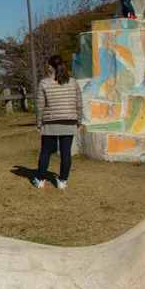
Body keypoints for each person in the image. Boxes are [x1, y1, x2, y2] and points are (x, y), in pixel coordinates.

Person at [32, 55, 83, 190]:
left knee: (46, 152)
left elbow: (40, 105)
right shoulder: (72, 82)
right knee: (66, 153)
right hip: (69, 120)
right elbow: (79, 103)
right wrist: (79, 120)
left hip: (50, 121)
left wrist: (39, 123)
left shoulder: (44, 83)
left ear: (50, 66)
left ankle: (41, 179)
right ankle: (62, 180)